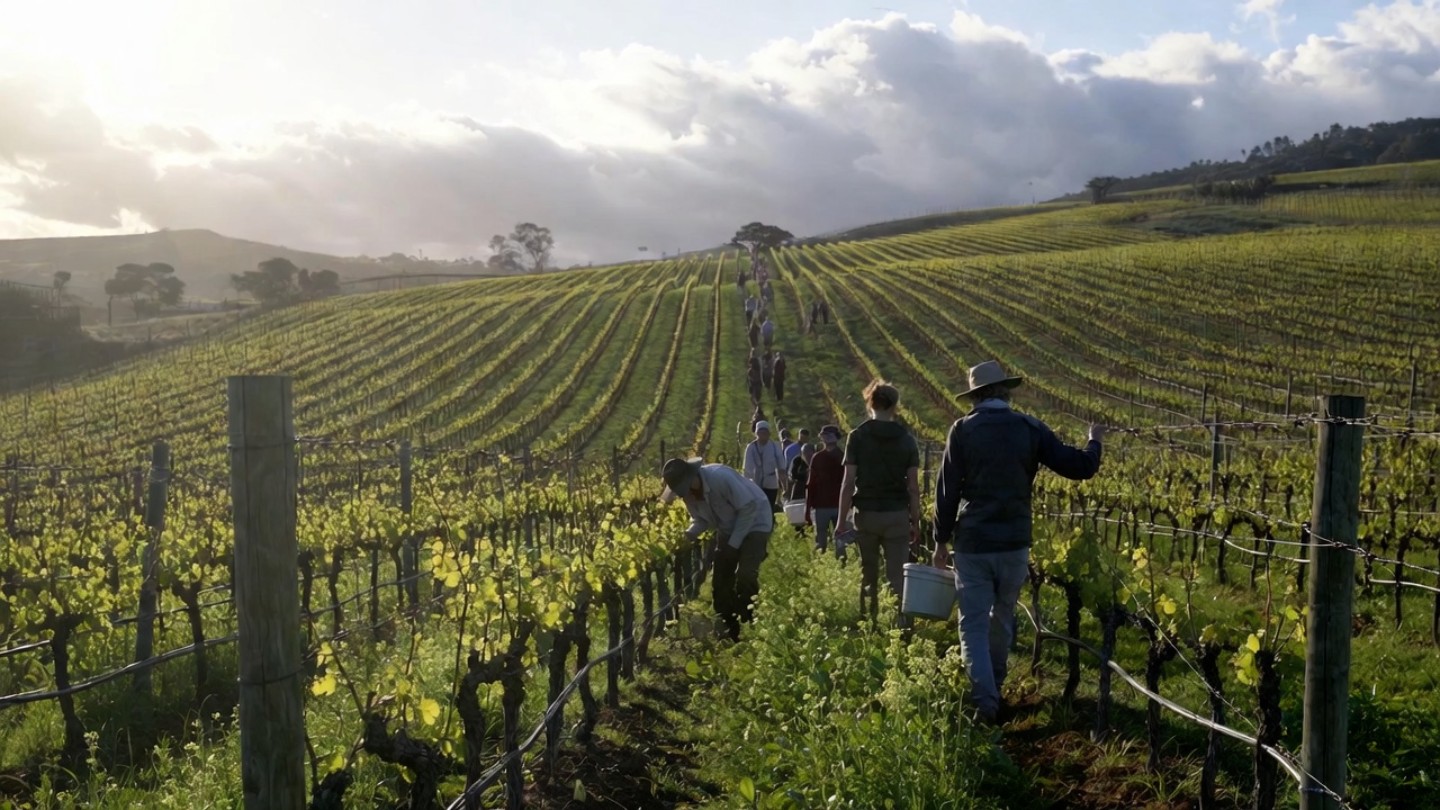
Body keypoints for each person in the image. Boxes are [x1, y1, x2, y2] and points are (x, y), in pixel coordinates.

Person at [932, 360, 1105, 724]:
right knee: (1003, 615)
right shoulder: (1029, 427)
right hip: (1014, 540)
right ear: (1006, 392)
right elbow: (1079, 467)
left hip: (974, 541)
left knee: (973, 622)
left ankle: (985, 700)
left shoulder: (962, 430)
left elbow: (947, 490)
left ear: (975, 395)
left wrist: (941, 540)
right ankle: (995, 683)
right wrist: (1095, 441)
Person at [836, 380, 920, 624]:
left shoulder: (857, 437)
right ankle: (902, 625)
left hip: (867, 515)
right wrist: (915, 521)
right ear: (895, 406)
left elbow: (848, 483)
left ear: (870, 402)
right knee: (897, 576)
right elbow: (913, 488)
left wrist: (842, 520)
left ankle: (868, 622)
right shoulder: (906, 440)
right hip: (896, 515)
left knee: (868, 572)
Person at [662, 457, 772, 641]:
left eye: (685, 488)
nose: (685, 495)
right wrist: (688, 535)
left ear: (693, 477)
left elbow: (748, 508)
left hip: (756, 521)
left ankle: (751, 621)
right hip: (727, 527)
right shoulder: (689, 495)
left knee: (745, 574)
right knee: (720, 580)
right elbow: (701, 520)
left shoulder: (720, 478)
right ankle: (728, 630)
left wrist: (733, 544)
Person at [806, 425, 845, 555]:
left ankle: (828, 562)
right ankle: (841, 563)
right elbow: (811, 484)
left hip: (829, 505)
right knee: (839, 537)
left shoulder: (820, 457)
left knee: (825, 538)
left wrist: (808, 509)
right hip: (834, 504)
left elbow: (811, 484)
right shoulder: (842, 456)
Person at [743, 421, 788, 510]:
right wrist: (747, 485)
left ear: (769, 434)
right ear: (757, 433)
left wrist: (784, 487)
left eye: (765, 433)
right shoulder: (751, 447)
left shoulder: (775, 447)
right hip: (756, 482)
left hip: (771, 483)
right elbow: (748, 468)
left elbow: (781, 467)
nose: (763, 435)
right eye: (761, 433)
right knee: (758, 507)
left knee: (769, 506)